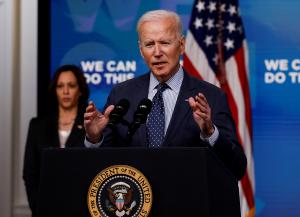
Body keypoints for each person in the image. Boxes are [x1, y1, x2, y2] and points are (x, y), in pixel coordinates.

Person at [84, 10, 247, 180]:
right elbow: (102, 166)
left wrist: (210, 132)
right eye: (149, 44)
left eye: (164, 42)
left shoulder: (211, 96)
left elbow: (237, 167)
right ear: (141, 50)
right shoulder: (122, 94)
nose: (157, 52)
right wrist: (95, 139)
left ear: (182, 45)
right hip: (136, 202)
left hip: (187, 203)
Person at [23, 64, 90, 216]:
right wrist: (38, 206)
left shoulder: (91, 125)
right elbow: (30, 173)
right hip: (45, 208)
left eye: (71, 86)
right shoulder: (37, 126)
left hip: (81, 208)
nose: (65, 91)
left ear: (80, 90)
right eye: (60, 86)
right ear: (55, 90)